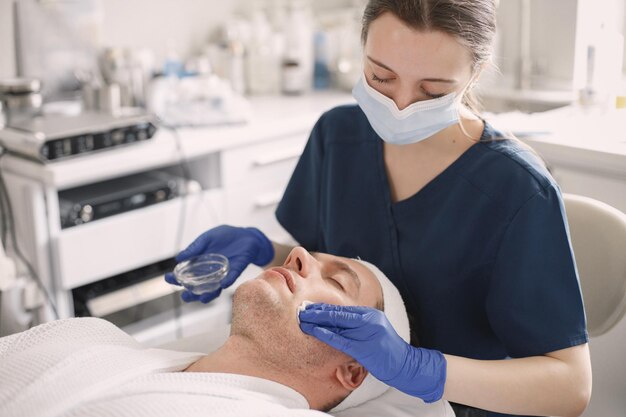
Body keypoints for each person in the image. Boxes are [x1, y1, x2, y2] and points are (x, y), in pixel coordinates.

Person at [167, 1, 592, 416]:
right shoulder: (338, 135)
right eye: (381, 77)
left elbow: (570, 387)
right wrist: (264, 251)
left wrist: (419, 369)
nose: (401, 105)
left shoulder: (518, 191)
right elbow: (326, 271)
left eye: (433, 90)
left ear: (475, 74)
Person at [0, 247, 452, 417]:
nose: (295, 254)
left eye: (335, 281)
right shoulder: (92, 335)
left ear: (355, 370)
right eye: (309, 255)